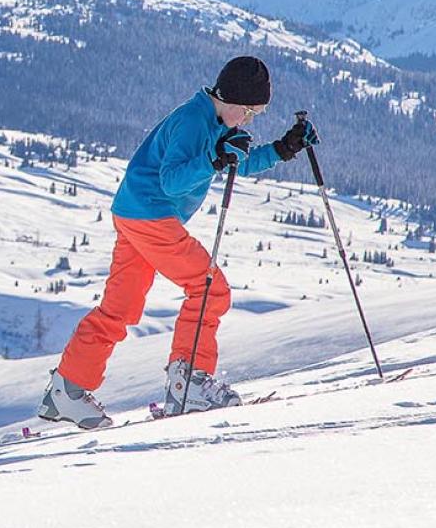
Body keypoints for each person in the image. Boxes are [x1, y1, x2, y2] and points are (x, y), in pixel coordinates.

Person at [38, 57, 313, 428]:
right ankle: (191, 383)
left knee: (121, 308)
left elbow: (235, 162)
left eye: (256, 114)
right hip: (151, 214)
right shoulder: (191, 122)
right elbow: (173, 180)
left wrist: (283, 148)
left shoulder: (214, 119)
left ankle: (66, 391)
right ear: (232, 99)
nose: (249, 120)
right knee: (209, 288)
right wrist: (214, 157)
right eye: (249, 111)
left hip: (136, 212)